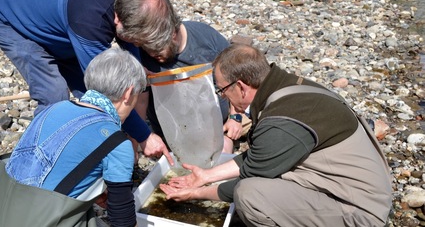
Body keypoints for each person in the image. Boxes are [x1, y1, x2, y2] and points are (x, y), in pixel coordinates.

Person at [159, 43, 393, 227]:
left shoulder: (281, 121)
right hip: (356, 189)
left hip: (361, 214)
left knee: (249, 195)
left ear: (241, 86)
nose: (223, 98)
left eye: (222, 90)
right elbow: (259, 158)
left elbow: (245, 180)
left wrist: (196, 193)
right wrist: (206, 175)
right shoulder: (286, 87)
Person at [0, 0, 171, 161]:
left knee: (99, 93)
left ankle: (94, 144)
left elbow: (130, 42)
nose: (136, 46)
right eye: (134, 40)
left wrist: (138, 79)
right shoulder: (90, 18)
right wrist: (144, 136)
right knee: (54, 96)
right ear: (117, 19)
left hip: (62, 22)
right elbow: (107, 88)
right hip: (16, 25)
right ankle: (37, 161)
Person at [0, 48, 147, 227]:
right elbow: (123, 221)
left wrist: (90, 190)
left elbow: (41, 166)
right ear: (128, 94)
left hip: (0, 214)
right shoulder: (117, 141)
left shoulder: (52, 109)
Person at [114, 0, 243, 150]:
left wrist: (236, 118)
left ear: (173, 33)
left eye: (158, 49)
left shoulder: (206, 39)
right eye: (146, 46)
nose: (151, 54)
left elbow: (235, 79)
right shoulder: (142, 52)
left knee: (225, 147)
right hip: (172, 135)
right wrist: (137, 139)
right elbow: (140, 100)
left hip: (217, 127)